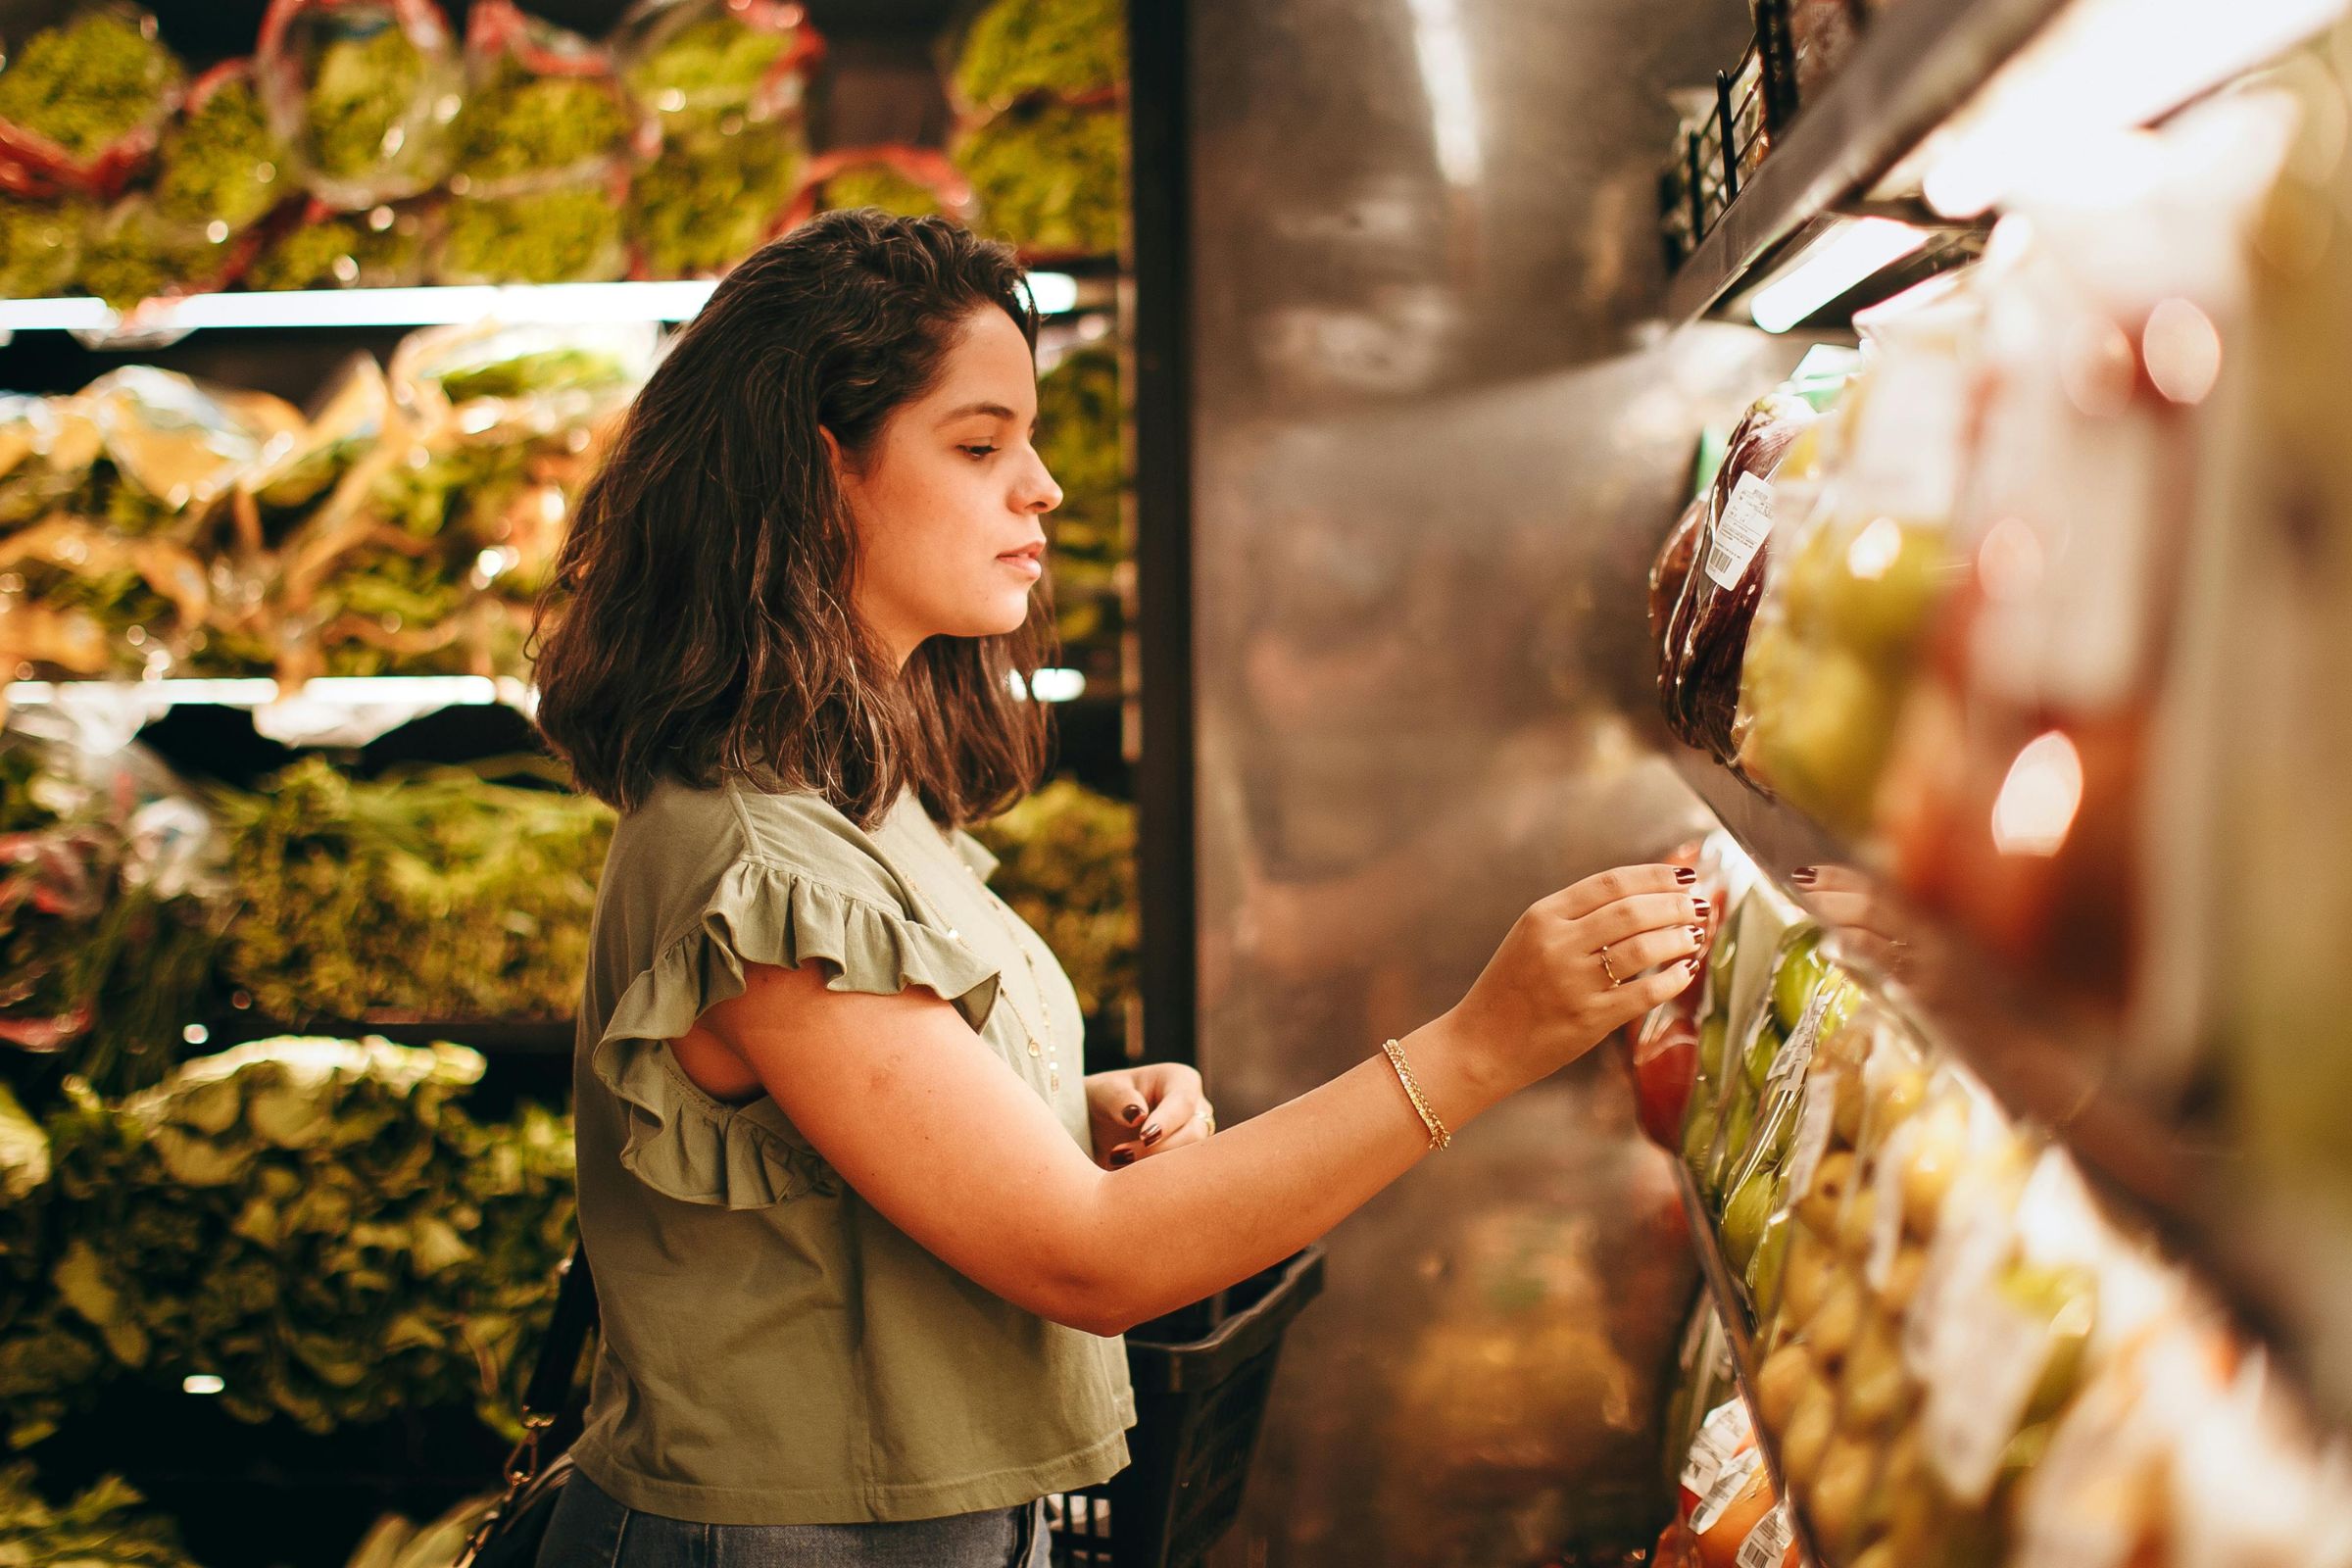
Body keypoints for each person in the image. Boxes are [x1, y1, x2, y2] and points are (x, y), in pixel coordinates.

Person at [527, 209, 1707, 1568]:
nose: (1043, 488)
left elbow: (838, 1152)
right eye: (979, 446)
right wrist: (1482, 1045)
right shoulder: (756, 863)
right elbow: (1091, 1260)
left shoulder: (857, 796)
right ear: (819, 474)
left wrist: (1060, 1112)